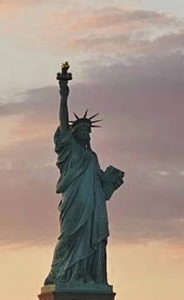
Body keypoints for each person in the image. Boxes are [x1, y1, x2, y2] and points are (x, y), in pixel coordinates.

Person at [45, 63, 124, 288]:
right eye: (83, 131)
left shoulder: (92, 157)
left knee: (92, 239)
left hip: (93, 206)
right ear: (74, 134)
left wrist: (112, 181)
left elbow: (102, 189)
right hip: (74, 201)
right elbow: (62, 124)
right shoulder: (70, 151)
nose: (87, 135)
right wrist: (63, 94)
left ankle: (88, 277)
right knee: (69, 237)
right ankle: (61, 275)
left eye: (89, 132)